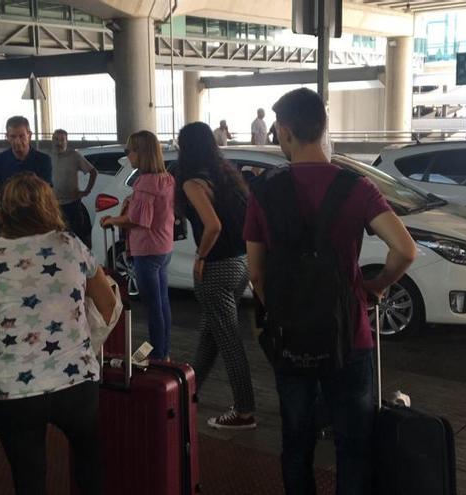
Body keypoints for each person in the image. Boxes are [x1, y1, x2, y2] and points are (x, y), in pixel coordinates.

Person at [244, 88, 416, 495]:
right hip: (348, 335)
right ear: (323, 129)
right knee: (353, 446)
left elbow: (256, 274)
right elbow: (404, 250)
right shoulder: (356, 187)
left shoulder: (264, 191)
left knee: (296, 442)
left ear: (285, 132)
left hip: (289, 338)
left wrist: (287, 308)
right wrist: (373, 286)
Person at [0, 172, 116, 495]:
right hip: (76, 379)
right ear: (48, 205)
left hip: (15, 388)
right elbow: (107, 305)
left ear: (5, 209)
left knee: (29, 478)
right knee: (89, 466)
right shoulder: (71, 246)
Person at [175, 122, 256, 430]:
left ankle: (245, 410)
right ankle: (187, 393)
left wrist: (200, 256)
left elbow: (213, 225)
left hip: (217, 267)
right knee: (211, 334)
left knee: (229, 341)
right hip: (240, 262)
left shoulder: (192, 183)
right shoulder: (224, 175)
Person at [100, 130, 174, 361]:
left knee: (152, 307)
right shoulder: (166, 179)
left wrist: (111, 219)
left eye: (129, 151)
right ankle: (164, 350)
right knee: (162, 303)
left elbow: (138, 221)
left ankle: (157, 355)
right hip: (164, 247)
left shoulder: (145, 183)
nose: (127, 155)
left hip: (147, 249)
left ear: (139, 153)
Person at [0, 116, 53, 222]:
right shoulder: (0, 160)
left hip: (37, 218)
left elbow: (46, 192)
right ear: (7, 137)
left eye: (21, 136)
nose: (17, 141)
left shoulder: (43, 160)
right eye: (13, 136)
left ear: (29, 135)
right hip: (9, 220)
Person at [51, 129, 98, 248]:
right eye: (56, 139)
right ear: (52, 140)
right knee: (57, 236)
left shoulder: (74, 156)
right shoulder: (49, 157)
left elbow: (93, 172)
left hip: (72, 203)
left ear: (67, 141)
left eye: (62, 140)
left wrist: (87, 190)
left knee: (76, 235)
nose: (59, 143)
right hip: (54, 204)